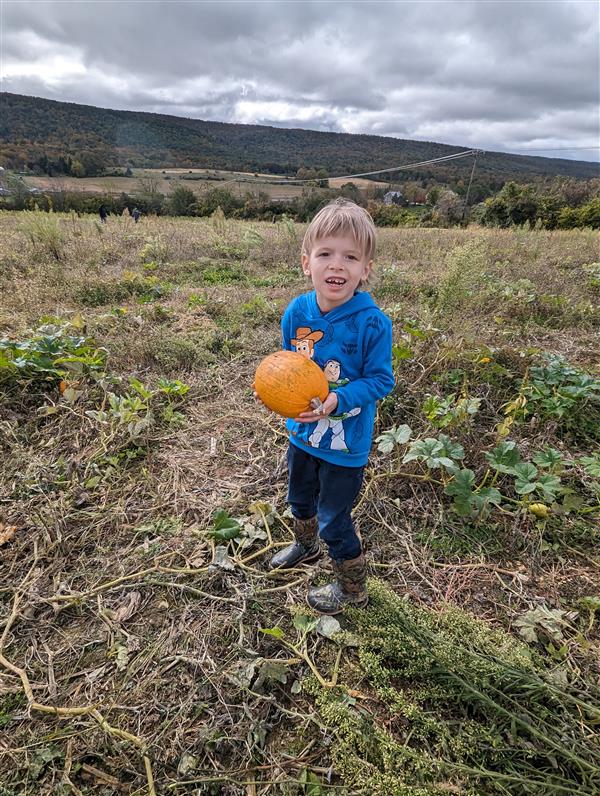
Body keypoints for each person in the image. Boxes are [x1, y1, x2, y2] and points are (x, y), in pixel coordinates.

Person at [266, 198, 395, 614]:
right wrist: (272, 389)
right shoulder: (296, 312)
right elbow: (287, 367)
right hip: (302, 434)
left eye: (350, 257)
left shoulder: (373, 322)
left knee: (333, 517)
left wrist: (339, 397)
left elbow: (380, 380)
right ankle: (304, 547)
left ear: (365, 269)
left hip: (345, 445)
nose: (336, 265)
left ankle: (352, 588)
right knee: (299, 499)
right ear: (307, 263)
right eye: (326, 254)